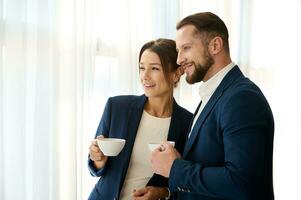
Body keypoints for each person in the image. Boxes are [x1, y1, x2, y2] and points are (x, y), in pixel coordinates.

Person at [151, 12, 274, 200]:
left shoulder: (242, 98)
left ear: (215, 45)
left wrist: (175, 169)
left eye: (186, 48)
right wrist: (164, 192)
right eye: (178, 50)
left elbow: (241, 182)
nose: (179, 59)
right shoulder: (213, 95)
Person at [88, 38, 193, 200]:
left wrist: (163, 193)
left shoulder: (188, 123)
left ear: (177, 73)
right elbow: (96, 167)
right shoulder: (117, 107)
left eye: (154, 68)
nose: (145, 76)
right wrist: (98, 159)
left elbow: (186, 183)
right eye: (142, 68)